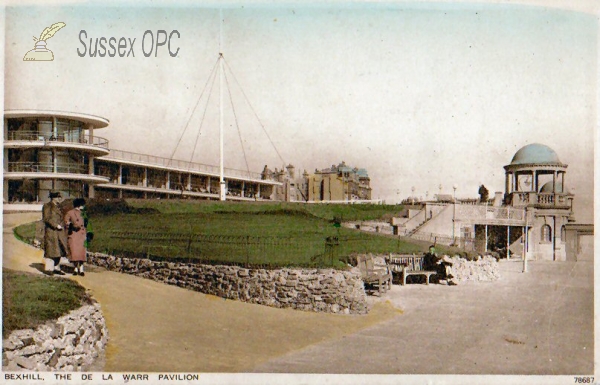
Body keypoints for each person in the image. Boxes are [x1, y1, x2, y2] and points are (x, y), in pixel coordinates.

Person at [42, 191, 67, 276]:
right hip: (51, 231)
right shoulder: (47, 206)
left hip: (59, 232)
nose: (60, 199)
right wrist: (56, 225)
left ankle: (56, 268)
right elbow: (46, 218)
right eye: (58, 197)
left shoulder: (59, 207)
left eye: (60, 197)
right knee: (51, 251)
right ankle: (49, 269)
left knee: (58, 251)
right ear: (53, 198)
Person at [64, 198, 87, 276]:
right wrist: (70, 225)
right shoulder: (70, 213)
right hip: (73, 233)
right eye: (82, 205)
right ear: (79, 205)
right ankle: (75, 268)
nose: (83, 206)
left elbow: (86, 223)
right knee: (74, 252)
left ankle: (81, 268)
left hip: (82, 234)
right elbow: (66, 221)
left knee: (81, 252)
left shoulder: (84, 213)